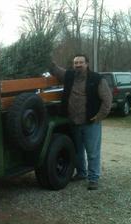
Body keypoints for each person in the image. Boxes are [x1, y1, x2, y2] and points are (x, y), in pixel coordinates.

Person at [50, 54, 112, 190]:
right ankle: (81, 173)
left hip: (91, 122)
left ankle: (94, 178)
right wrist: (48, 61)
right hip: (74, 122)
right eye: (75, 62)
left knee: (92, 152)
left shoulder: (97, 79)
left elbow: (107, 100)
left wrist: (99, 116)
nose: (78, 65)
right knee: (78, 150)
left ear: (87, 63)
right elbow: (56, 70)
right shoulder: (70, 76)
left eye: (81, 62)